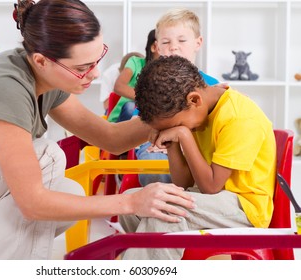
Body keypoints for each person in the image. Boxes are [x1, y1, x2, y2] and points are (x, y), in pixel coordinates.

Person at [0, 0, 196, 260]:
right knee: (47, 155)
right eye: (83, 67)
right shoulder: (7, 87)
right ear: (41, 61)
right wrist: (130, 202)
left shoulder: (44, 78)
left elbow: (110, 139)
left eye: (98, 59)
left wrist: (172, 114)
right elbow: (32, 203)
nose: (95, 73)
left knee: (65, 190)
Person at [121, 55, 276, 260]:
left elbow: (211, 187)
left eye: (174, 125)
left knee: (164, 212)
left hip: (244, 206)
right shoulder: (196, 112)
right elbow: (183, 182)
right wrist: (173, 145)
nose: (175, 130)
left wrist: (183, 135)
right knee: (132, 203)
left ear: (194, 99)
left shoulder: (239, 117)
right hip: (212, 198)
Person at [135, 8, 219, 187]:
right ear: (156, 47)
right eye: (166, 42)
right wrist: (157, 137)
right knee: (154, 167)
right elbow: (144, 118)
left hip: (199, 146)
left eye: (182, 40)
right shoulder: (151, 82)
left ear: (198, 43)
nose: (173, 46)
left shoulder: (211, 86)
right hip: (159, 144)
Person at [107, 29, 158, 123]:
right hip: (121, 118)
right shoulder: (135, 62)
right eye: (166, 42)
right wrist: (149, 99)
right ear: (154, 47)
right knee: (131, 107)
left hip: (148, 114)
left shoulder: (169, 72)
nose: (173, 47)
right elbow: (119, 87)